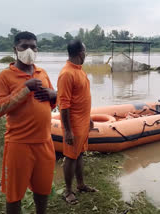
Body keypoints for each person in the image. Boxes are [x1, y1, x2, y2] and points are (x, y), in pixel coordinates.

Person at [0, 31, 57, 214]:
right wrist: (25, 88)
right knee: (14, 195)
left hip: (44, 142)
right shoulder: (5, 76)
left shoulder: (42, 72)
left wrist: (54, 95)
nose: (29, 50)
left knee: (43, 190)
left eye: (33, 46)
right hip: (18, 144)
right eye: (24, 46)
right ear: (15, 49)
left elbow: (53, 99)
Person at [57, 39, 97, 205]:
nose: (85, 54)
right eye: (85, 51)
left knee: (79, 154)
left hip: (82, 123)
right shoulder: (67, 74)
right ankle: (68, 191)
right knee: (70, 157)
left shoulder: (79, 70)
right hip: (73, 126)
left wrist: (88, 118)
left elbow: (81, 99)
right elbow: (64, 105)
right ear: (81, 53)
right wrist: (67, 131)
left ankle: (80, 185)